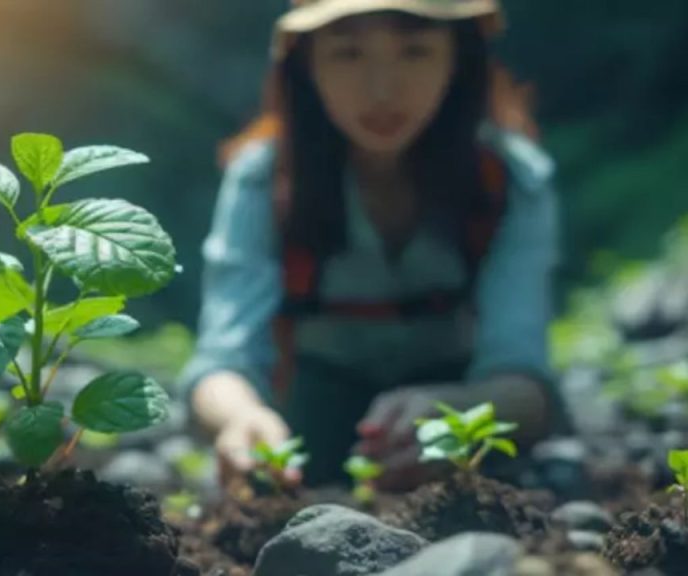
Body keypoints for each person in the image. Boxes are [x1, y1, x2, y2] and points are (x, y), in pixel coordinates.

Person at [179, 0, 569, 489]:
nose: (382, 90)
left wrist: (458, 414)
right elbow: (223, 357)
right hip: (314, 399)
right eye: (347, 55)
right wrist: (241, 419)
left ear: (458, 58)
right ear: (306, 66)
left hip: (459, 388)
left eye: (415, 52)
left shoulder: (510, 179)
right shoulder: (264, 179)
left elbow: (523, 372)